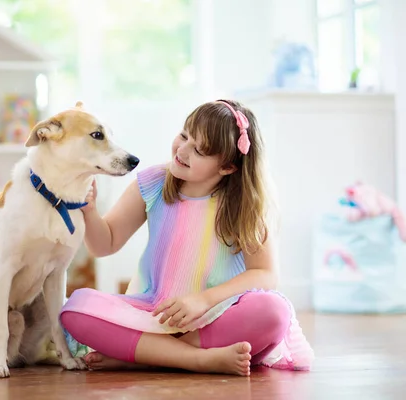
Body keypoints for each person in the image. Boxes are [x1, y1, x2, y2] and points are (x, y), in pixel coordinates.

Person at [59, 100, 314, 376]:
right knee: (76, 307)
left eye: (199, 150)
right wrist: (90, 211)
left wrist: (203, 301)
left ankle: (150, 355)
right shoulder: (154, 182)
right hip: (153, 314)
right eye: (184, 135)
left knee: (272, 311)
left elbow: (264, 274)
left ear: (227, 166)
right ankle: (195, 359)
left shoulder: (244, 204)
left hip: (216, 316)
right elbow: (104, 244)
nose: (182, 150)